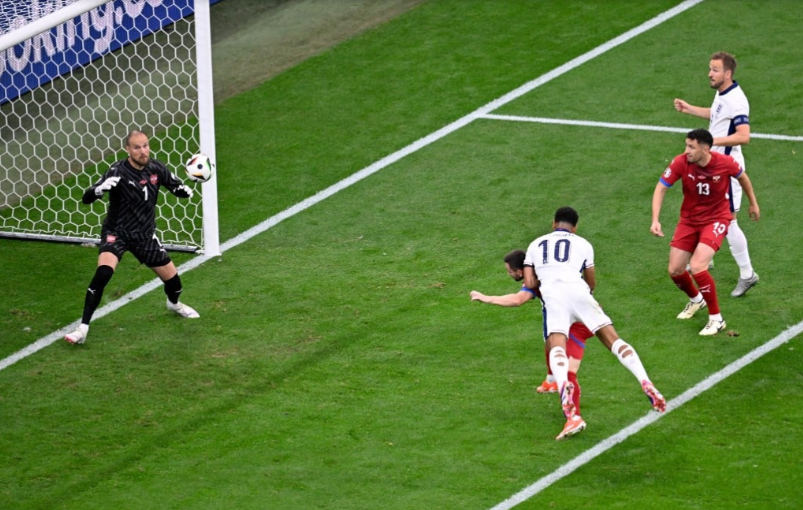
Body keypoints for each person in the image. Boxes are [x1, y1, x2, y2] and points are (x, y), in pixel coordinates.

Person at [524, 207, 666, 441]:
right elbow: (591, 282)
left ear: (553, 223)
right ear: (575, 227)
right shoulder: (584, 244)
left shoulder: (535, 245)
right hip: (580, 293)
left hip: (554, 296)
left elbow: (530, 282)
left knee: (557, 348)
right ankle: (645, 381)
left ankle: (568, 406)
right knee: (614, 341)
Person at [65, 130, 200, 345]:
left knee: (174, 283)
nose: (143, 151)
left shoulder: (156, 168)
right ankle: (82, 328)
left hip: (145, 236)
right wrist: (99, 190)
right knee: (103, 273)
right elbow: (86, 198)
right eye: (137, 147)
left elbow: (176, 187)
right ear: (127, 150)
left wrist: (183, 191)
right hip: (116, 233)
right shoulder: (117, 171)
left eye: (145, 146)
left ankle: (174, 304)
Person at [651, 129, 759, 336]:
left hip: (716, 219)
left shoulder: (724, 162)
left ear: (705, 148)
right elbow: (661, 187)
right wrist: (655, 219)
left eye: (691, 147)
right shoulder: (681, 162)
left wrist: (753, 204)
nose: (687, 151)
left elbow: (743, 178)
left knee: (699, 265)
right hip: (689, 221)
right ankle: (696, 300)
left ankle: (716, 319)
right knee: (675, 270)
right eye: (686, 145)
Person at [470, 249, 593, 419]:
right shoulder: (545, 268)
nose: (509, 274)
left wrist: (487, 298)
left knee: (568, 372)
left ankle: (574, 417)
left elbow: (517, 299)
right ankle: (552, 381)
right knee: (550, 340)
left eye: (509, 271)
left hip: (578, 322)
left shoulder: (535, 279)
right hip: (578, 313)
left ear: (520, 272)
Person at [674, 51, 759, 297]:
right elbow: (717, 115)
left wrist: (710, 142)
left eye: (715, 69)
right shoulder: (722, 93)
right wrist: (690, 109)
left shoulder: (738, 100)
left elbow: (744, 136)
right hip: (711, 166)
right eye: (710, 68)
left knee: (728, 221)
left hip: (726, 170)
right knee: (703, 208)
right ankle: (706, 256)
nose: (710, 73)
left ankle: (747, 274)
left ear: (728, 73)